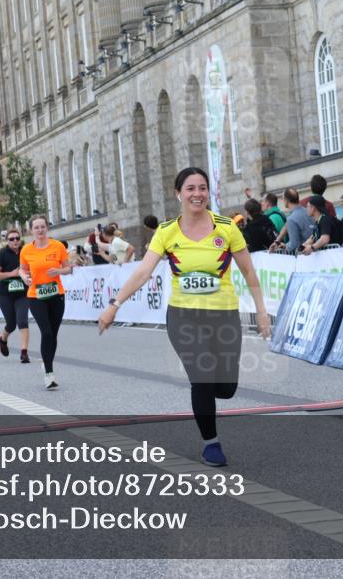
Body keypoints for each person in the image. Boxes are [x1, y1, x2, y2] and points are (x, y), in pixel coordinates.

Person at [98, 167, 271, 467]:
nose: (197, 194)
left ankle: (209, 393)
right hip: (183, 316)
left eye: (202, 188)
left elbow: (248, 271)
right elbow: (142, 272)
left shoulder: (226, 227)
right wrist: (115, 304)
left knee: (226, 388)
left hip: (224, 316)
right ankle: (211, 444)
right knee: (202, 377)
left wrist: (261, 311)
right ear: (178, 194)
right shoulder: (167, 231)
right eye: (190, 188)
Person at [20, 215, 73, 389]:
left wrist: (58, 270)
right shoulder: (26, 250)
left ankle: (47, 361)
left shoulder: (57, 246)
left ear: (47, 228)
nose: (40, 230)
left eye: (42, 226)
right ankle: (49, 374)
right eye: (36, 227)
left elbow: (68, 268)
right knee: (47, 333)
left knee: (53, 334)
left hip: (56, 295)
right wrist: (24, 277)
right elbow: (22, 269)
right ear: (31, 230)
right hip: (36, 296)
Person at [0, 229, 32, 363]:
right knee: (11, 324)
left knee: (22, 321)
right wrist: (12, 274)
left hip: (22, 293)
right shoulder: (3, 253)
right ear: (7, 241)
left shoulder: (25, 252)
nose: (15, 241)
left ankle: (24, 352)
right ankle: (3, 339)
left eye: (17, 238)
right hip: (5, 294)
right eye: (11, 239)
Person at [270, 188, 312, 253]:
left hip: (304, 255)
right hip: (317, 252)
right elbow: (287, 225)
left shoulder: (292, 219)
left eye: (283, 199)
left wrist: (285, 246)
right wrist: (277, 241)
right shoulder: (308, 211)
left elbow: (294, 245)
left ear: (286, 201)